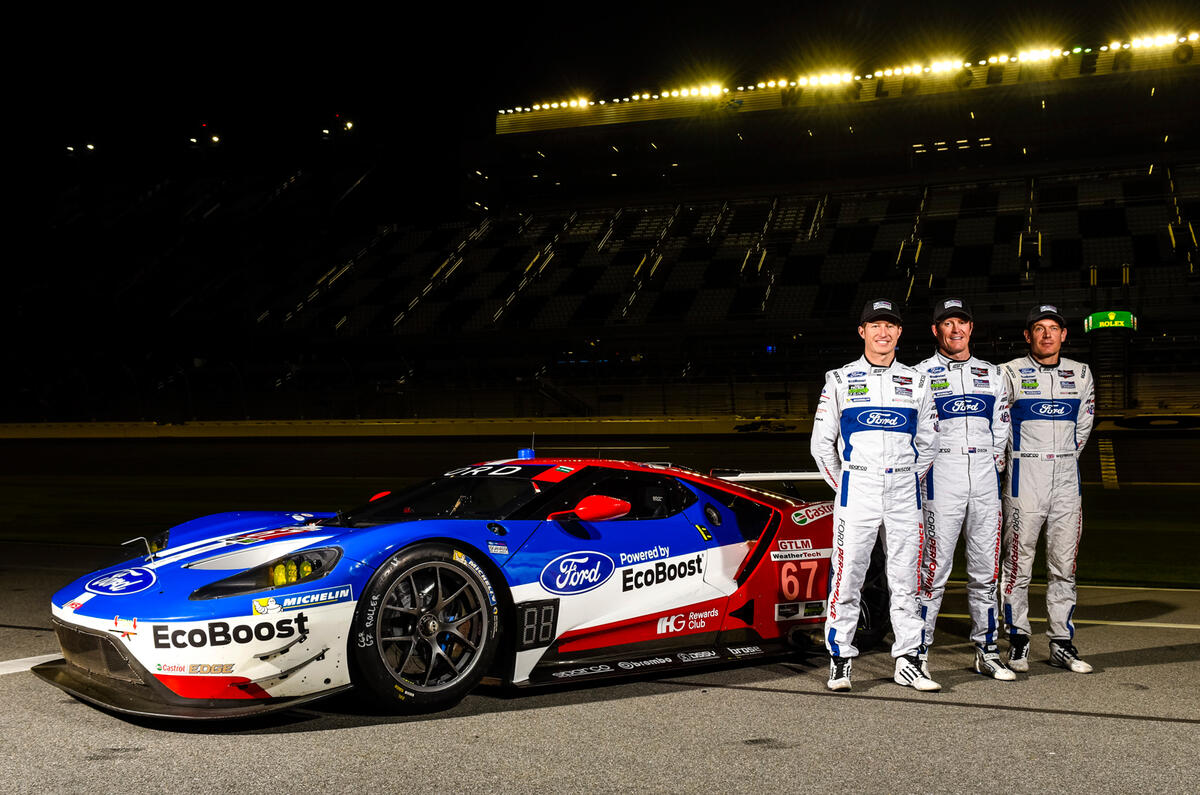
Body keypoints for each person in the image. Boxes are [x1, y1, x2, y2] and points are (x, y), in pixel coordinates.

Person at [811, 299, 941, 692]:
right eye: (875, 325)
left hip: (904, 491)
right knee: (847, 575)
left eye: (890, 326)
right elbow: (822, 445)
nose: (883, 332)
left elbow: (930, 443)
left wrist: (904, 479)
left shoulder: (918, 381)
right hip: (858, 489)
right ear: (862, 331)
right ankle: (840, 658)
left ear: (900, 332)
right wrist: (849, 482)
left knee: (906, 580)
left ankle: (909, 660)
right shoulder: (838, 379)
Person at [915, 299, 1015, 681]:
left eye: (962, 322)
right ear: (936, 329)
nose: (955, 329)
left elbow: (1001, 427)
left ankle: (987, 650)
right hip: (943, 473)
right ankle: (917, 651)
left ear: (971, 328)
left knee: (985, 570)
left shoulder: (992, 374)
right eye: (947, 323)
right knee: (933, 568)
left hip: (985, 477)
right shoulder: (919, 374)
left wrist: (993, 465)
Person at [1000, 304, 1096, 673]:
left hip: (1067, 478)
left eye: (1052, 328)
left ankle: (1061, 642)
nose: (1046, 334)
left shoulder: (1082, 373)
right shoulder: (1008, 372)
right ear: (1028, 335)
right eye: (1038, 328)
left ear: (1063, 334)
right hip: (1026, 474)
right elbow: (1000, 425)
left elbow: (1083, 427)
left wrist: (1062, 456)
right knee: (1017, 564)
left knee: (1063, 567)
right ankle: (1018, 638)